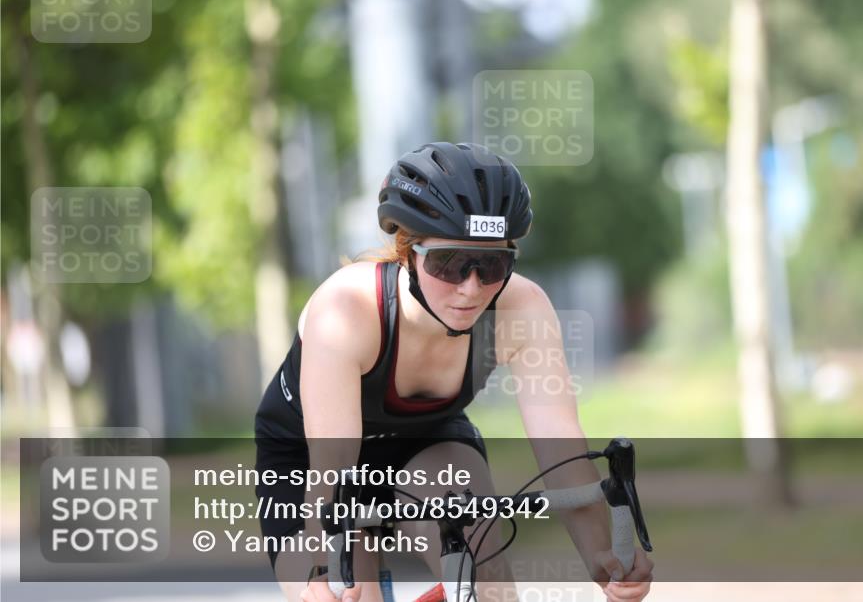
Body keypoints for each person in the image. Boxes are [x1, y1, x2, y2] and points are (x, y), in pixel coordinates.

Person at [254, 142, 653, 602]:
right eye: (450, 263)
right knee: (347, 592)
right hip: (311, 463)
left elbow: (561, 448)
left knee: (484, 569)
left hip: (428, 444)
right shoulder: (345, 312)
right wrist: (323, 568)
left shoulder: (521, 309)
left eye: (492, 265)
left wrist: (602, 557)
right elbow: (334, 466)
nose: (471, 288)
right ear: (407, 252)